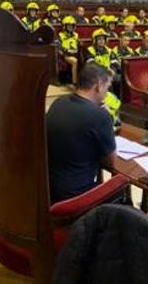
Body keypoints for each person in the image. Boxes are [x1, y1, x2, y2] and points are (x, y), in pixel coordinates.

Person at [46, 63, 117, 204]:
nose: (106, 93)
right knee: (121, 190)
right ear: (98, 85)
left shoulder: (58, 102)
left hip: (50, 187)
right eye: (107, 88)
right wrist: (106, 117)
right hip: (77, 194)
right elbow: (111, 162)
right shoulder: (99, 116)